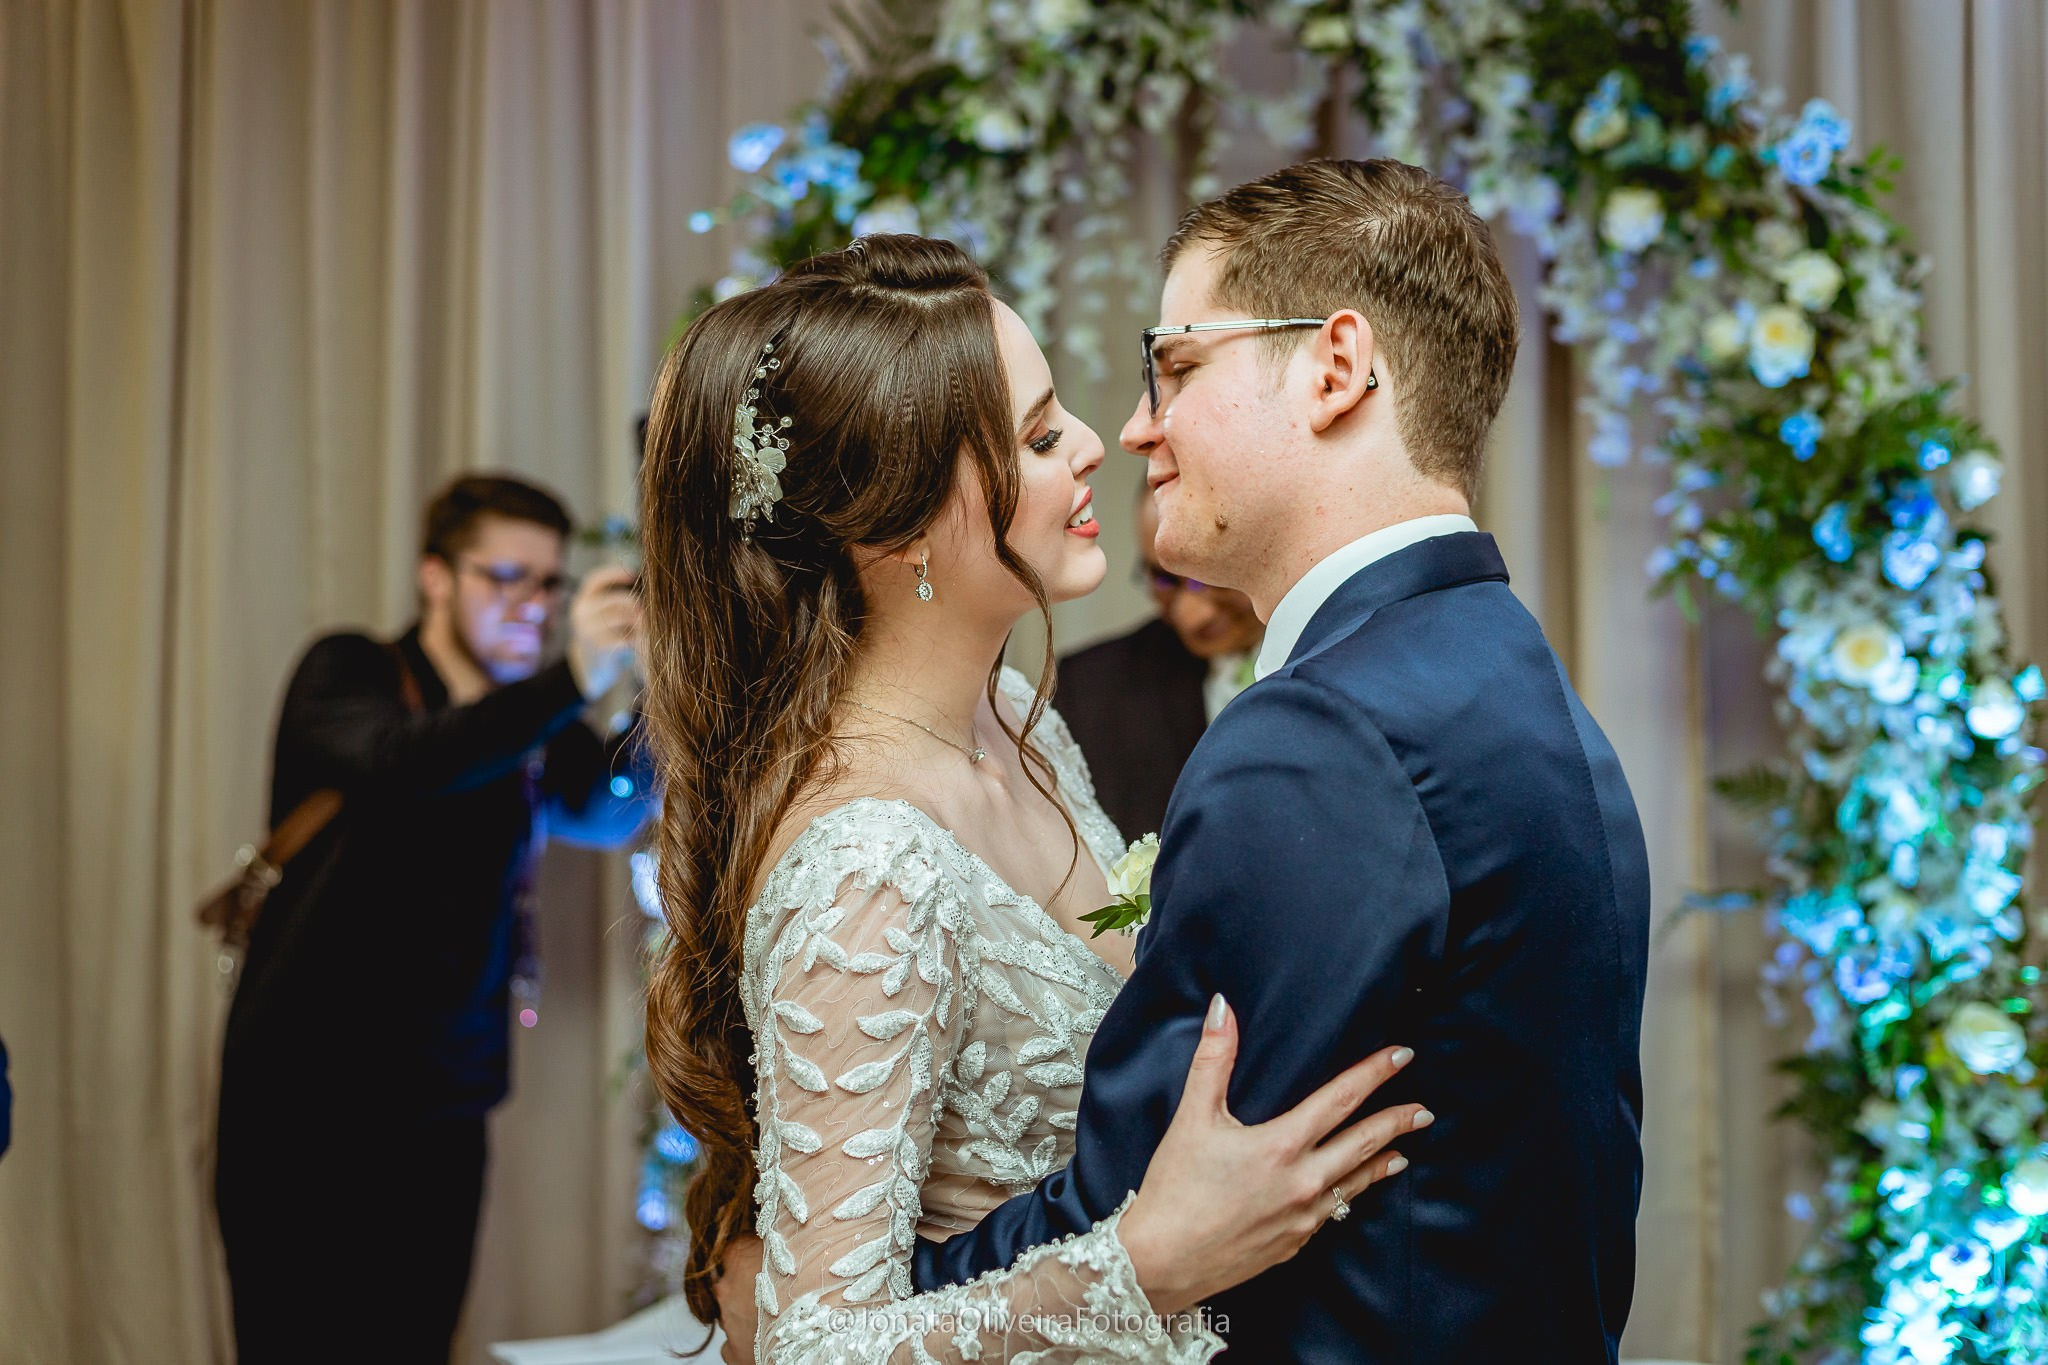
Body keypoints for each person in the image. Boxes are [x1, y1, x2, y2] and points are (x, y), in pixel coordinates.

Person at [638, 234, 1431, 1364]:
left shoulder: (1017, 721)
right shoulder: (869, 861)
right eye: (1037, 434)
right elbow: (814, 1345)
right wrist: (1151, 1262)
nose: (1096, 446)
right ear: (895, 525)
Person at [911, 159, 1651, 1360]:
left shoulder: (1322, 737)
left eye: (1178, 366)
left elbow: (1144, 1224)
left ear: (1334, 367)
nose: (1137, 425)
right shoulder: (1501, 672)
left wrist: (853, 1302)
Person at [214, 473, 656, 1365]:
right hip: (304, 1099)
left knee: (413, 1342)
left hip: (445, 1102)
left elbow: (610, 809)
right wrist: (569, 678)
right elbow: (409, 762)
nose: (533, 605)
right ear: (435, 577)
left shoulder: (537, 720)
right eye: (506, 576)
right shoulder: (350, 672)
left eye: (549, 583)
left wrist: (654, 696)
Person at [1054, 487, 1263, 838]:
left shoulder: (1349, 657)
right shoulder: (1092, 689)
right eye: (1164, 580)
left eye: (1206, 577)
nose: (1189, 617)